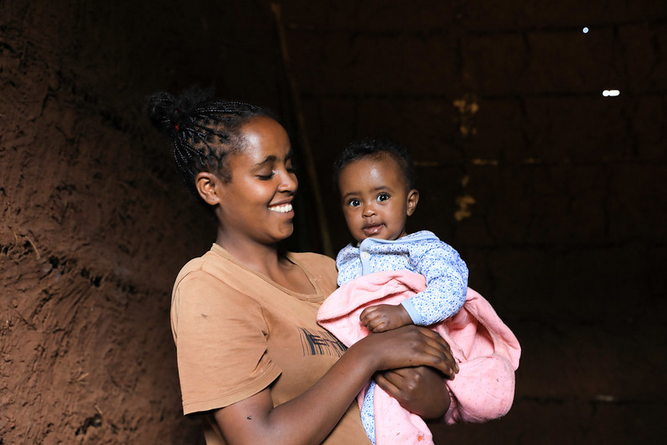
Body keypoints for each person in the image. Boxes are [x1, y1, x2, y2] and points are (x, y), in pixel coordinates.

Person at [145, 87, 460, 445]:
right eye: (267, 174)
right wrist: (369, 354)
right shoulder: (209, 286)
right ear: (210, 188)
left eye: (289, 167)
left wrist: (436, 400)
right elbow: (259, 440)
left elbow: (406, 389)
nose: (291, 183)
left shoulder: (330, 271)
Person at [316, 139, 520, 444]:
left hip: (414, 349)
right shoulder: (346, 259)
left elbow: (451, 288)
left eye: (382, 197)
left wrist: (403, 312)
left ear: (410, 202)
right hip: (365, 358)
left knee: (391, 415)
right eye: (354, 202)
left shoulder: (423, 249)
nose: (368, 211)